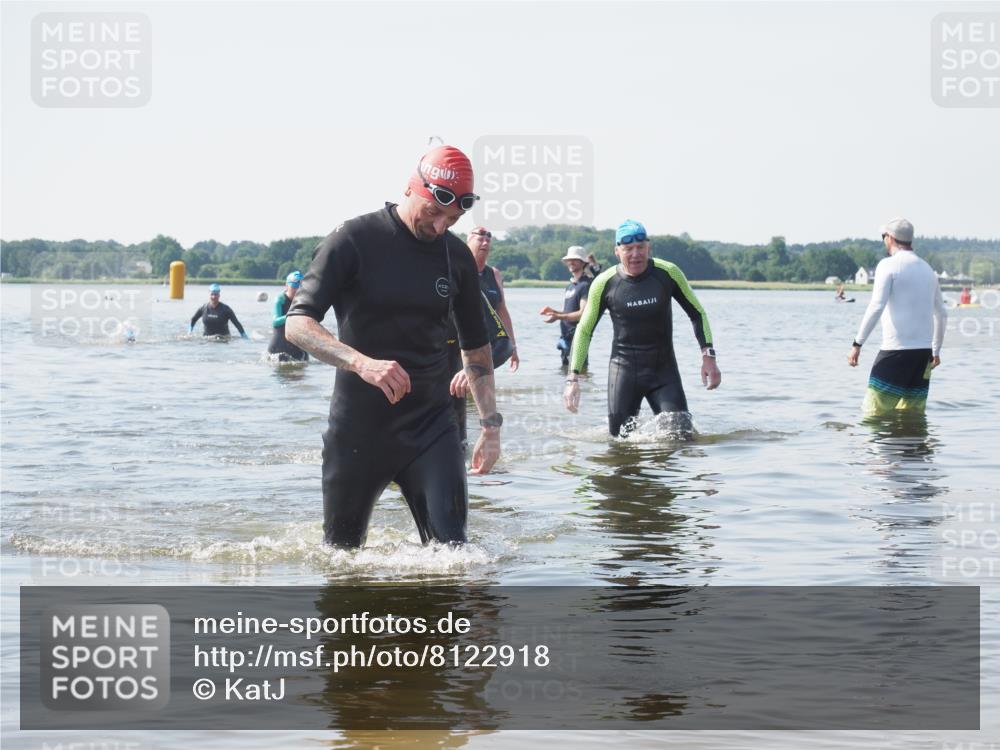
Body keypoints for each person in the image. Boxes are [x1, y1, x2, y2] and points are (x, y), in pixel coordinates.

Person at [285, 145, 502, 549]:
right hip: (358, 429)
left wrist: (490, 425)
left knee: (454, 556)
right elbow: (298, 325)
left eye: (451, 219)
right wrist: (360, 363)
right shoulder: (353, 239)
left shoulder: (456, 257)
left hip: (432, 426)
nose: (439, 227)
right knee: (342, 560)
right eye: (433, 212)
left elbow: (477, 350)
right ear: (409, 188)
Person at [564, 219, 722, 437]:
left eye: (640, 248)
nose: (636, 254)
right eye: (628, 249)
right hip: (624, 370)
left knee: (680, 437)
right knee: (620, 443)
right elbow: (584, 329)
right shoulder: (604, 282)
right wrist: (573, 378)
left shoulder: (668, 273)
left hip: (663, 371)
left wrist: (708, 357)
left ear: (649, 248)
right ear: (617, 251)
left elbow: (697, 313)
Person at [848, 218, 946, 416]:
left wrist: (857, 344)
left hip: (895, 352)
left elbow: (876, 306)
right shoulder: (928, 270)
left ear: (890, 238)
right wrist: (935, 350)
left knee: (872, 415)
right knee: (912, 417)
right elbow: (942, 314)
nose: (884, 240)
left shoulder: (888, 266)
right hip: (922, 355)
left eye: (884, 236)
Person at [446, 226, 518, 443]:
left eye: (489, 237)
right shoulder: (454, 268)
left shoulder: (494, 275)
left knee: (480, 395)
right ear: (468, 240)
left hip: (486, 346)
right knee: (456, 393)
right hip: (455, 346)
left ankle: (479, 440)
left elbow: (501, 310)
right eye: (480, 236)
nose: (485, 241)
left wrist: (513, 346)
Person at [540, 246, 594, 367]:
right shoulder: (571, 286)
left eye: (575, 259)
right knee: (565, 375)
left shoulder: (586, 285)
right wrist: (553, 312)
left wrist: (557, 317)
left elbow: (581, 314)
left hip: (578, 338)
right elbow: (568, 312)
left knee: (579, 375)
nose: (571, 262)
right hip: (566, 338)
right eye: (569, 259)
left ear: (583, 262)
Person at [268, 271, 309, 361]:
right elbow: (275, 322)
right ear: (286, 286)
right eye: (294, 286)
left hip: (298, 347)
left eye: (300, 287)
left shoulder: (304, 301)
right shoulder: (280, 299)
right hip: (279, 347)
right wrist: (291, 315)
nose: (297, 290)